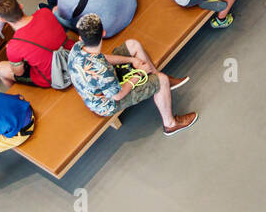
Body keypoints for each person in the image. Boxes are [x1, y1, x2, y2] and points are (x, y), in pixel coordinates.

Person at [66, 13, 197, 135]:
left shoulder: (77, 47)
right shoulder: (103, 71)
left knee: (132, 45)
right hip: (107, 103)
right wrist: (139, 74)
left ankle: (161, 83)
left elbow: (102, 58)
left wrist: (132, 59)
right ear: (103, 33)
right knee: (161, 80)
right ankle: (170, 124)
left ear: (80, 37)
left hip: (101, 83)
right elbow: (118, 95)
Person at [0, 0, 68, 89]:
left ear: (3, 20)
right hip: (70, 55)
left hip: (53, 76)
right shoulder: (44, 12)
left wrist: (14, 57)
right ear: (21, 6)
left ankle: (21, 94)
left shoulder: (13, 46)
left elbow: (19, 72)